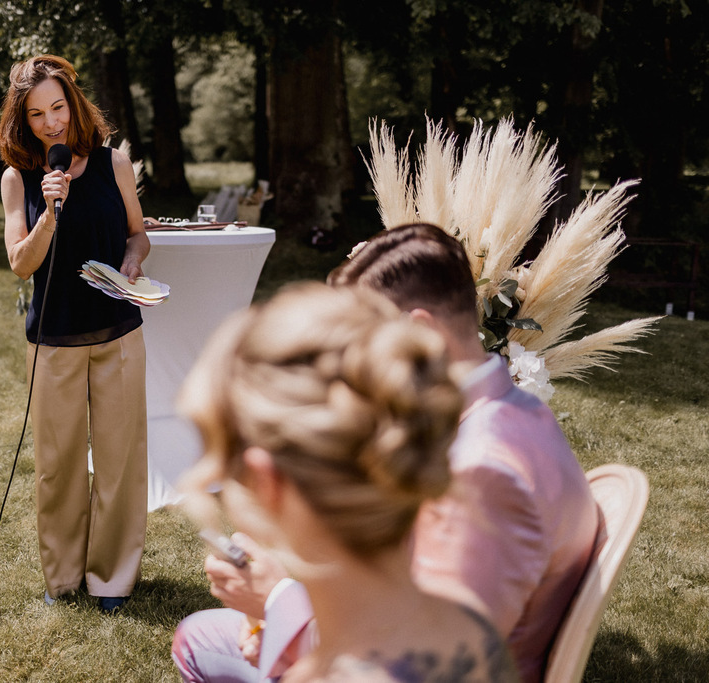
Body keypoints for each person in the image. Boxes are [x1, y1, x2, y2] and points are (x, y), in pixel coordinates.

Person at [172, 224, 598, 683]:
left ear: (420, 332)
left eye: (365, 337)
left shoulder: (481, 470)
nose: (351, 359)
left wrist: (278, 602)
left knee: (198, 639)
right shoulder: (515, 409)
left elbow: (423, 659)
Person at [0, 54, 150, 613]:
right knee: (59, 467)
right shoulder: (20, 179)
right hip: (55, 341)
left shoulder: (114, 164)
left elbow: (137, 235)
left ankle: (113, 578)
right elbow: (19, 262)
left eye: (58, 107)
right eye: (36, 114)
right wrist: (48, 211)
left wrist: (131, 264)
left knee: (120, 460)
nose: (51, 122)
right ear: (22, 119)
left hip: (118, 332)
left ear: (74, 104)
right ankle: (62, 580)